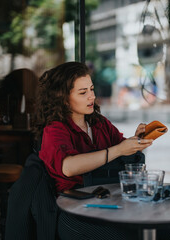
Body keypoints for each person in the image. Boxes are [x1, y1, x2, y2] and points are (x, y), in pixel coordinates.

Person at [33, 61, 153, 239]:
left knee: (164, 230)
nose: (92, 97)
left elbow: (122, 149)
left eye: (91, 89)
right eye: (83, 92)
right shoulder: (55, 130)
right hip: (73, 212)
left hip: (108, 203)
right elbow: (69, 167)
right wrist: (118, 150)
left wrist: (136, 140)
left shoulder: (98, 123)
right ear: (63, 98)